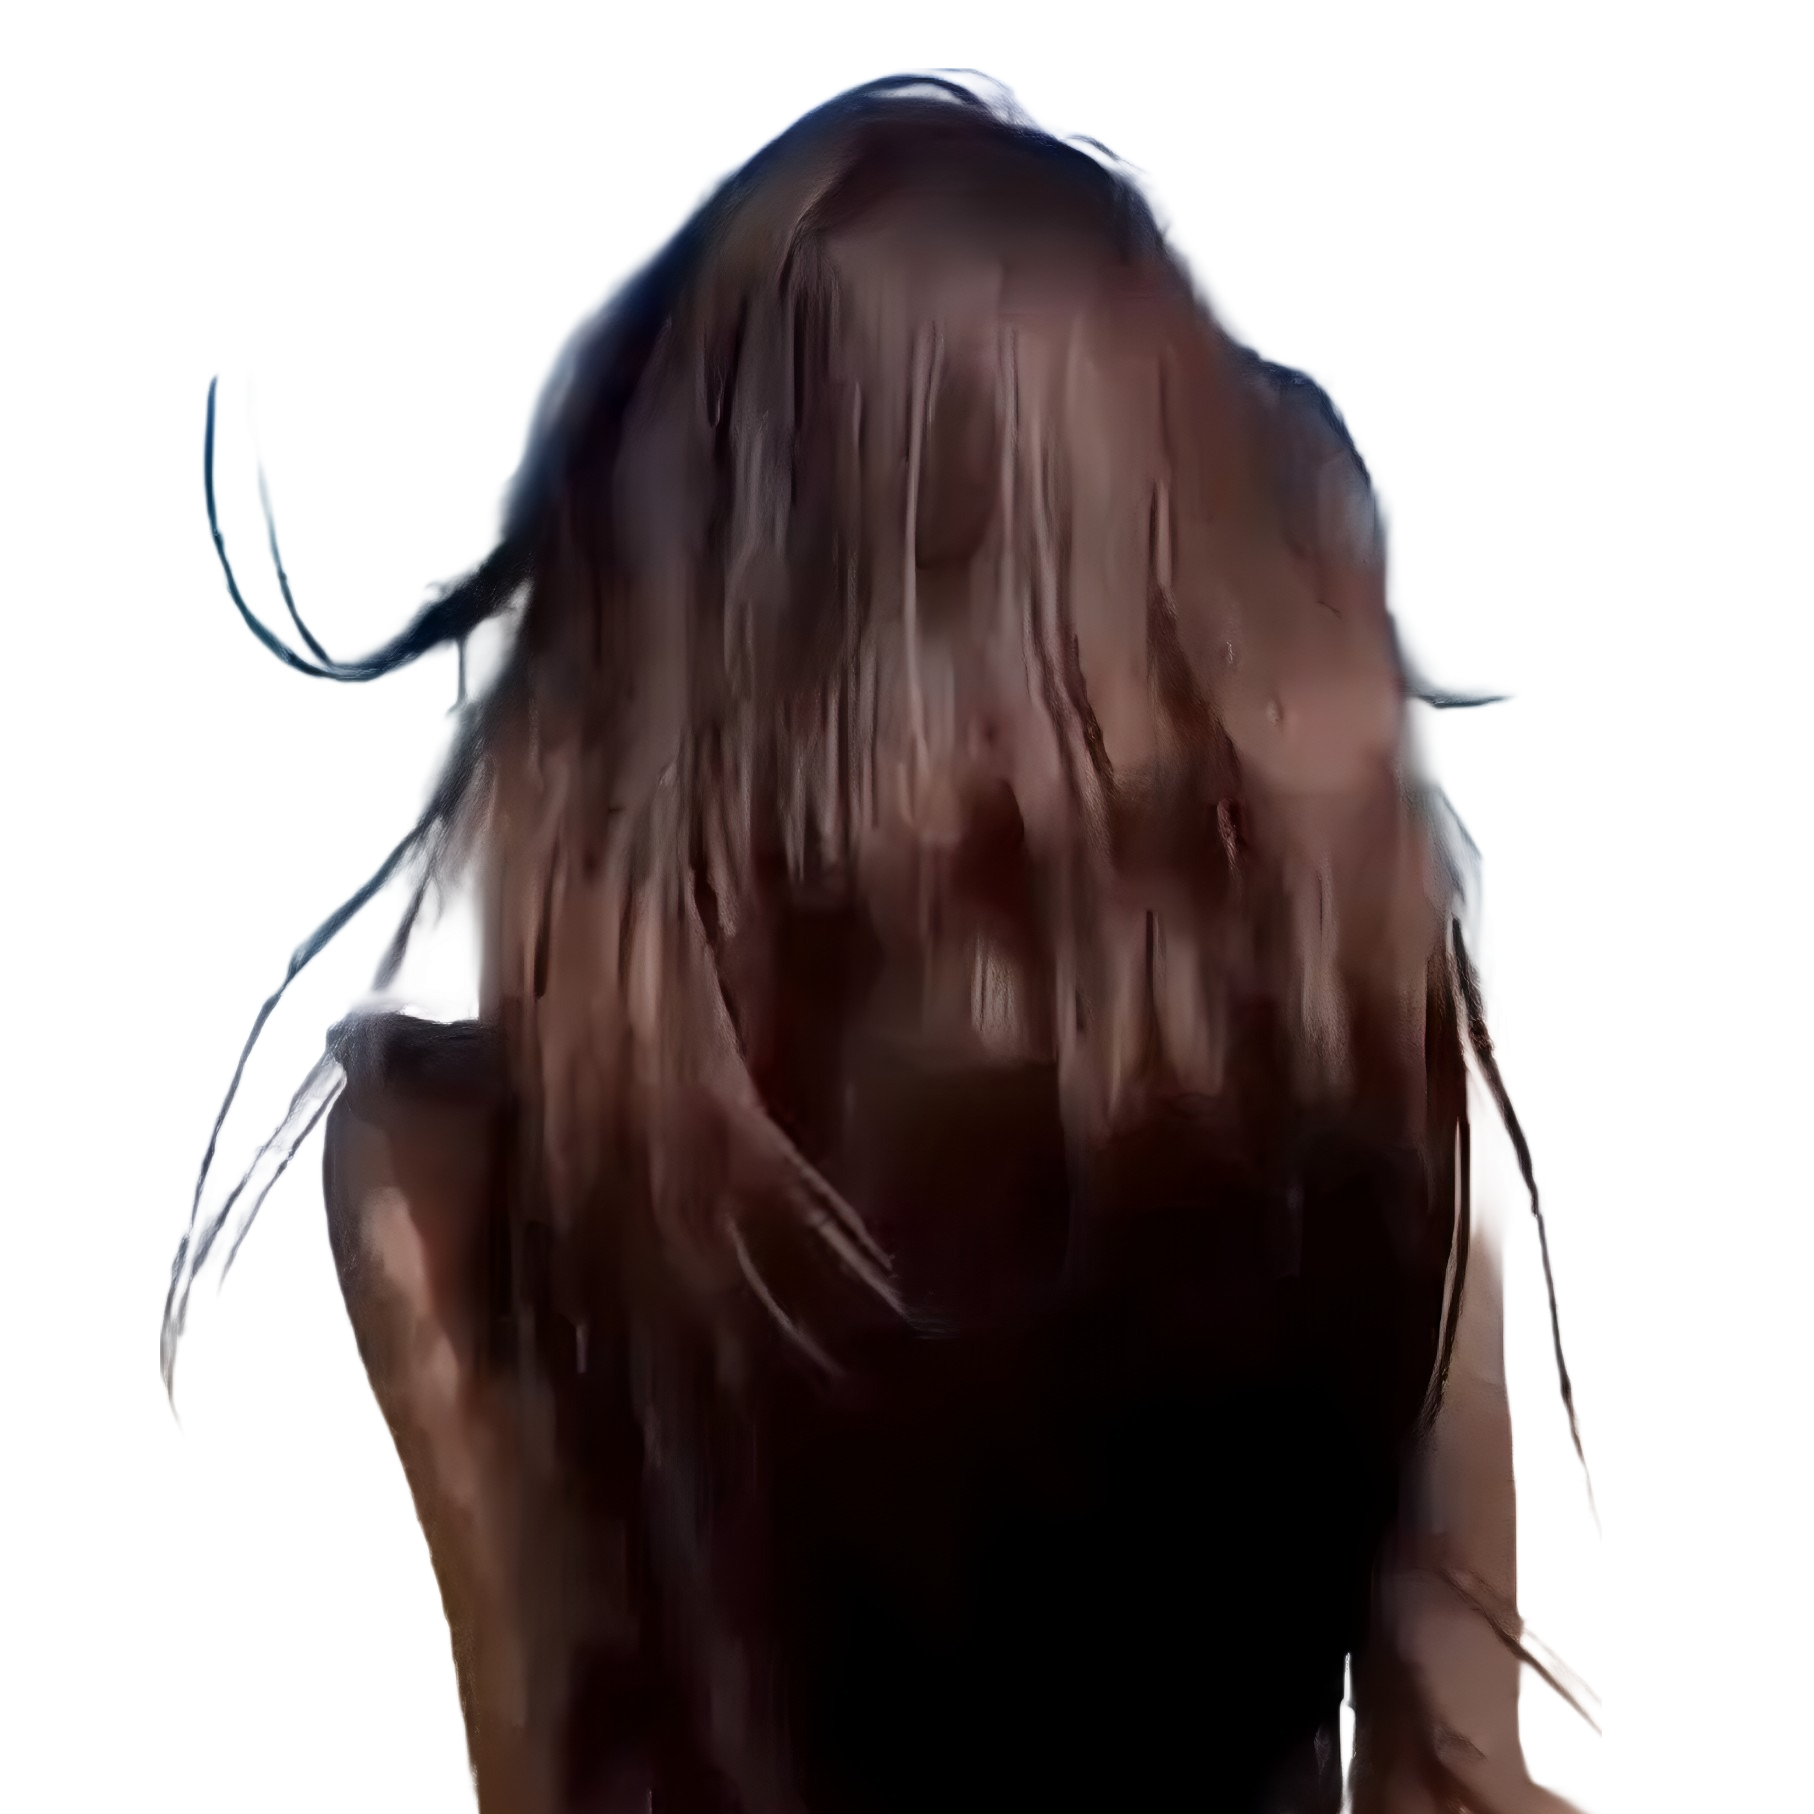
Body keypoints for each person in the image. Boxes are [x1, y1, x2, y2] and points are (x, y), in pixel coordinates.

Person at [163, 69, 1599, 1813]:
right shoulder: (1369, 1060)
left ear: (660, 625)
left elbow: (557, 1778)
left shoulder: (452, 1171)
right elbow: (1452, 1769)